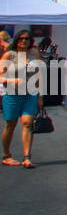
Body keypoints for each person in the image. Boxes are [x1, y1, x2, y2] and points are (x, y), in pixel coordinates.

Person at [1, 31, 43, 168]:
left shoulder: (33, 55)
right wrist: (12, 80)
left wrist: (40, 96)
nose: (23, 41)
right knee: (10, 125)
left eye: (26, 39)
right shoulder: (9, 55)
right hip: (12, 95)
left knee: (27, 123)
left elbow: (39, 76)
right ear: (16, 40)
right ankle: (6, 155)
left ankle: (27, 157)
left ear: (31, 41)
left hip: (30, 94)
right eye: (21, 38)